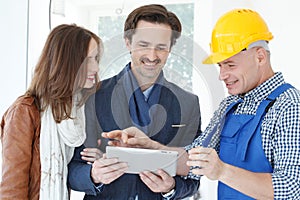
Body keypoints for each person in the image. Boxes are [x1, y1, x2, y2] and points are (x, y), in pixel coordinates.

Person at [102, 8, 300, 200]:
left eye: (230, 64)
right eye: (220, 65)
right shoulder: (229, 105)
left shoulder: (289, 106)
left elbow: (292, 189)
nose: (222, 76)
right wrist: (150, 146)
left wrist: (222, 171)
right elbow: (192, 160)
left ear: (260, 56)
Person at [68, 4, 201, 200]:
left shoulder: (188, 103)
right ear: (128, 43)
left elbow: (194, 176)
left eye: (161, 47)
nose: (152, 56)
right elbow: (71, 170)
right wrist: (93, 175)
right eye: (144, 45)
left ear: (170, 48)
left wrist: (171, 187)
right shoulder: (93, 96)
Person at [0, 24, 103, 200]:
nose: (95, 68)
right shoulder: (25, 111)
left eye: (96, 59)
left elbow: (72, 173)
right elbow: (12, 187)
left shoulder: (74, 111)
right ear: (66, 62)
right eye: (87, 60)